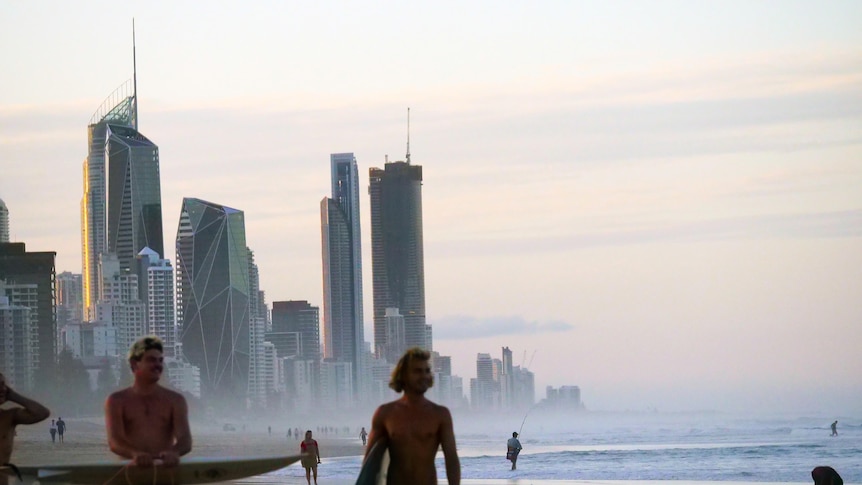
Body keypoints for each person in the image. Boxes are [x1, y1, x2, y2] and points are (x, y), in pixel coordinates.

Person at [365, 347, 460, 485]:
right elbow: (369, 462)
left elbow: (451, 458)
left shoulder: (440, 415)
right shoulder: (385, 414)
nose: (424, 376)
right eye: (417, 371)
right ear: (403, 375)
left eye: (427, 371)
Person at [105, 336, 192, 467]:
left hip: (165, 476)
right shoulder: (116, 401)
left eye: (160, 360)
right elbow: (115, 441)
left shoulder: (175, 400)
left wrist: (173, 452)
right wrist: (135, 454)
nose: (158, 365)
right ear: (135, 364)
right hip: (130, 476)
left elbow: (185, 439)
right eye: (151, 360)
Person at [0, 371, 51, 485]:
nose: (3, 389)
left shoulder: (9, 417)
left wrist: (14, 396)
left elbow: (42, 413)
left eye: (3, 384)